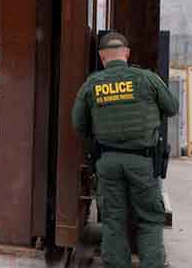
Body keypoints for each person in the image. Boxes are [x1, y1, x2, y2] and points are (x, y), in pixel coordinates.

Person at [71, 31, 178, 268]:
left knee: (113, 221)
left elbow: (78, 124)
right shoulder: (147, 79)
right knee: (150, 220)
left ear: (102, 57)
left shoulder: (92, 84)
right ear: (127, 54)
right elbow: (172, 107)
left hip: (107, 161)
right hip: (143, 162)